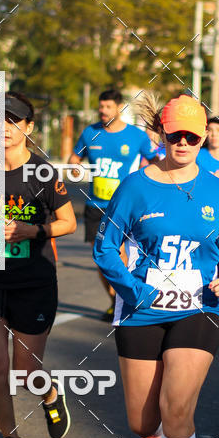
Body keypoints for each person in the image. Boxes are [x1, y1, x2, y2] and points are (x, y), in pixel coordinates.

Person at [93, 94, 219, 438]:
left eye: (191, 136)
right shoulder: (135, 186)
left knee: (178, 406)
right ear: (161, 135)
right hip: (141, 310)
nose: (182, 142)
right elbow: (105, 248)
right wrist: (135, 290)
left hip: (198, 308)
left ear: (202, 139)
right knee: (143, 421)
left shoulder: (218, 190)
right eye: (174, 134)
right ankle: (154, 434)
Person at [0, 92, 77, 438]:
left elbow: (69, 222)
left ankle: (48, 394)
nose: (4, 129)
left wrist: (33, 230)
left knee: (25, 373)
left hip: (34, 282)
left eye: (13, 121)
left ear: (28, 128)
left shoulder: (43, 173)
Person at [69, 89, 157, 321]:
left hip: (125, 206)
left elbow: (156, 159)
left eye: (108, 107)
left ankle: (126, 299)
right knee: (100, 257)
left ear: (119, 108)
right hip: (95, 205)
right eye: (101, 107)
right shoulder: (90, 133)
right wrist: (75, 168)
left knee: (120, 255)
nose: (103, 111)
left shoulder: (136, 136)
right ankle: (115, 300)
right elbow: (74, 158)